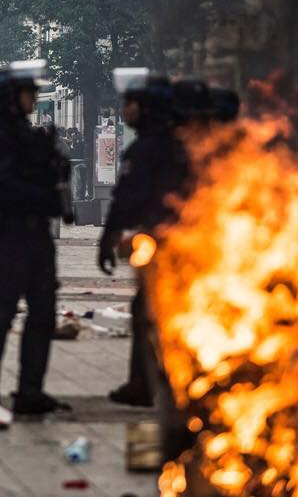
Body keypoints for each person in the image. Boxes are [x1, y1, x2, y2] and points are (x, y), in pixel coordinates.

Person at [0, 62, 68, 427]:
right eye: (29, 93)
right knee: (2, 315)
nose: (34, 99)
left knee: (43, 313)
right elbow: (1, 188)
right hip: (11, 236)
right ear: (12, 98)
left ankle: (30, 391)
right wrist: (45, 193)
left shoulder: (25, 135)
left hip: (36, 236)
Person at [97, 74, 185, 408]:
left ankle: (144, 384)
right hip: (188, 243)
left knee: (148, 310)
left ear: (145, 108)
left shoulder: (148, 148)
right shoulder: (177, 144)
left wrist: (108, 237)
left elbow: (126, 199)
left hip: (165, 243)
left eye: (130, 104)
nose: (125, 110)